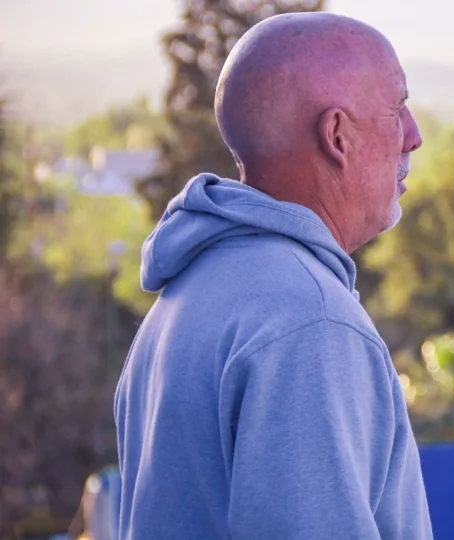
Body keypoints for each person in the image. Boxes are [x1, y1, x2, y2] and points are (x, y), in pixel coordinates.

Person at [113, 12, 430, 539]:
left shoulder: (189, 292)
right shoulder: (309, 321)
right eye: (397, 109)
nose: (413, 137)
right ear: (337, 136)